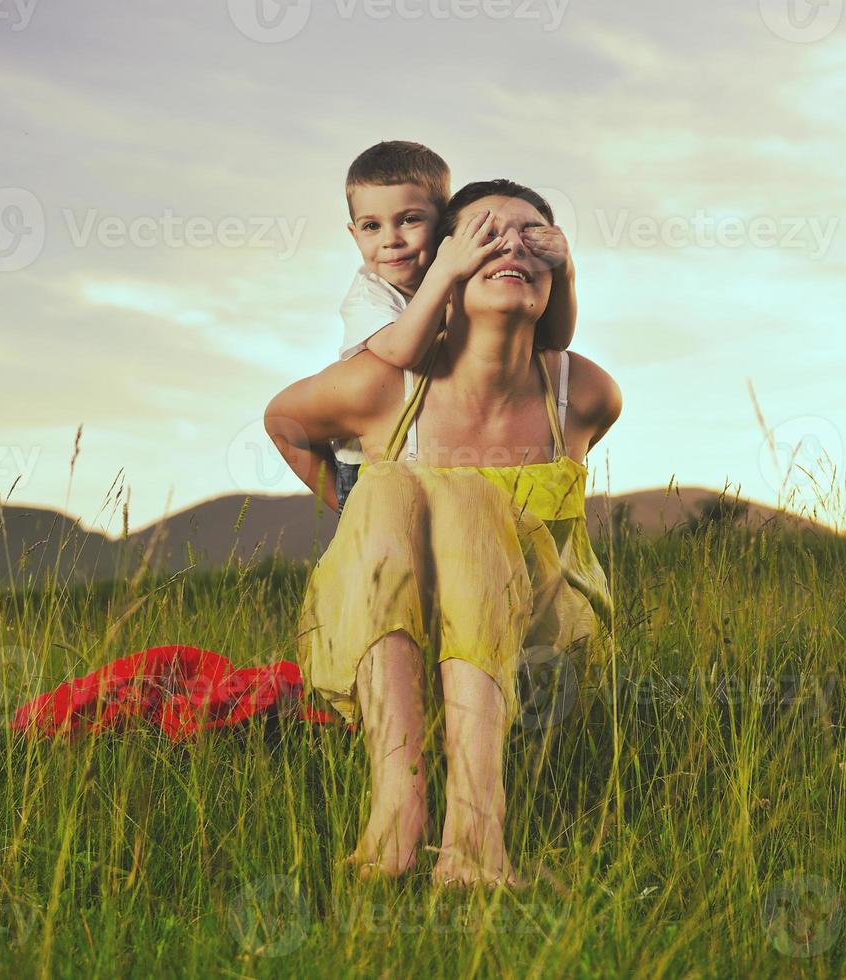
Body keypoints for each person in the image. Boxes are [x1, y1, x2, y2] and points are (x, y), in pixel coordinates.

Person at [265, 180, 621, 888]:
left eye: (533, 238)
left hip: (539, 645)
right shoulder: (382, 386)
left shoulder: (580, 392)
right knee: (388, 486)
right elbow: (284, 421)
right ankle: (398, 814)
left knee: (461, 497)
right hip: (389, 633)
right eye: (489, 234)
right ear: (446, 269)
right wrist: (355, 514)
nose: (513, 246)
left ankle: (476, 836)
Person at [328, 141, 577, 512]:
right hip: (367, 459)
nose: (391, 240)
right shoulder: (370, 294)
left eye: (410, 220)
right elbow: (405, 353)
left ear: (443, 222)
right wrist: (337, 502)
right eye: (371, 227)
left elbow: (556, 338)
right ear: (353, 234)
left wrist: (564, 269)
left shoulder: (464, 272)